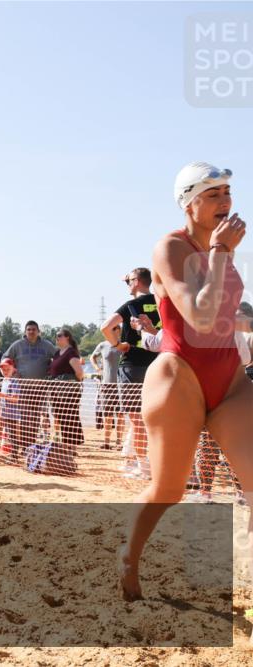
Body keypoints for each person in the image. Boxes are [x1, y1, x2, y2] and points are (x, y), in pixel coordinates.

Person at [119, 162, 251, 602]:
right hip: (180, 374)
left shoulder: (222, 249)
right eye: (213, 194)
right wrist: (217, 254)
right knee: (170, 488)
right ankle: (129, 556)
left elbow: (228, 316)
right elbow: (198, 315)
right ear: (189, 203)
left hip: (229, 375)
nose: (225, 201)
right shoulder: (169, 248)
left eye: (228, 192)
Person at [102, 267, 161, 480]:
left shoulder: (131, 305)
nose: (127, 285)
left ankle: (143, 467)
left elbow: (106, 327)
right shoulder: (162, 302)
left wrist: (118, 345)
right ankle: (158, 463)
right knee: (158, 419)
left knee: (137, 421)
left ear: (137, 282)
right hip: (159, 366)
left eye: (128, 281)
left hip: (132, 366)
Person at [2, 321, 56, 458]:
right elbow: (5, 359)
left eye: (33, 329)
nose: (31, 332)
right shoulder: (18, 345)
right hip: (22, 388)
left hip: (40, 388)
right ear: (25, 331)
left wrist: (52, 371)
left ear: (38, 331)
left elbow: (57, 358)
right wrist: (13, 371)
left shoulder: (47, 345)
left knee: (35, 418)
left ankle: (29, 446)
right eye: (28, 329)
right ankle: (24, 446)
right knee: (25, 418)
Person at [46, 328, 85, 474]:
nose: (57, 339)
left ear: (67, 337)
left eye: (59, 336)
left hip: (68, 391)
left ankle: (71, 448)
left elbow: (80, 373)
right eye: (56, 336)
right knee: (61, 418)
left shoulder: (71, 353)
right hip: (56, 390)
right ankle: (66, 446)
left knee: (70, 417)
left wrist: (71, 386)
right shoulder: (57, 353)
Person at [91, 325, 124, 450]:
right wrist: (97, 369)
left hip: (121, 384)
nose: (113, 332)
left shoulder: (124, 345)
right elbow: (92, 357)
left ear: (119, 331)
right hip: (106, 384)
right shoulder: (103, 345)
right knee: (107, 414)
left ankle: (119, 442)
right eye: (111, 330)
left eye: (116, 329)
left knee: (120, 414)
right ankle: (106, 442)